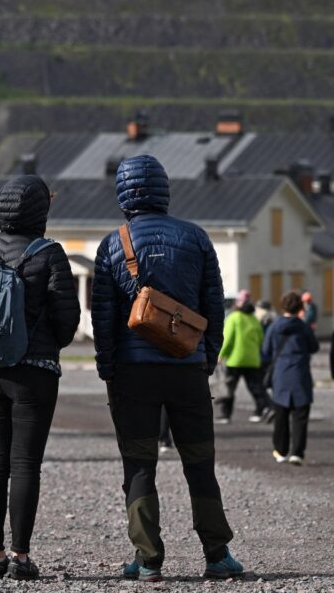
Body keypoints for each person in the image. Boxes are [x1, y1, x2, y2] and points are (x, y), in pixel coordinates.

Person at [92, 155, 243, 582]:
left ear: (123, 192)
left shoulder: (112, 244)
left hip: (132, 372)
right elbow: (215, 307)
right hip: (186, 369)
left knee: (139, 464)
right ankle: (217, 555)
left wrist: (109, 368)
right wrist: (206, 357)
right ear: (164, 189)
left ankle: (147, 559)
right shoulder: (196, 238)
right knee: (200, 462)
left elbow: (102, 317)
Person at [0, 174, 80, 581]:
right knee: (25, 464)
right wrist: (44, 344)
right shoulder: (50, 254)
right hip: (34, 375)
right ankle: (22, 558)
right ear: (40, 211)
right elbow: (67, 320)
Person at [263, 291, 319, 466]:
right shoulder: (303, 327)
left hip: (281, 373)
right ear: (300, 307)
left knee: (281, 413)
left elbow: (265, 350)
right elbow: (314, 347)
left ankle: (281, 450)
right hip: (300, 373)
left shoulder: (274, 326)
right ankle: (297, 453)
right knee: (300, 415)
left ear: (283, 306)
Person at [215, 290, 270, 424]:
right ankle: (260, 410)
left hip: (235, 359)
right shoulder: (254, 319)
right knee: (256, 387)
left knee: (229, 388)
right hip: (252, 359)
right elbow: (261, 338)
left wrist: (221, 355)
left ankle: (226, 415)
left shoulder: (234, 317)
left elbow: (228, 339)